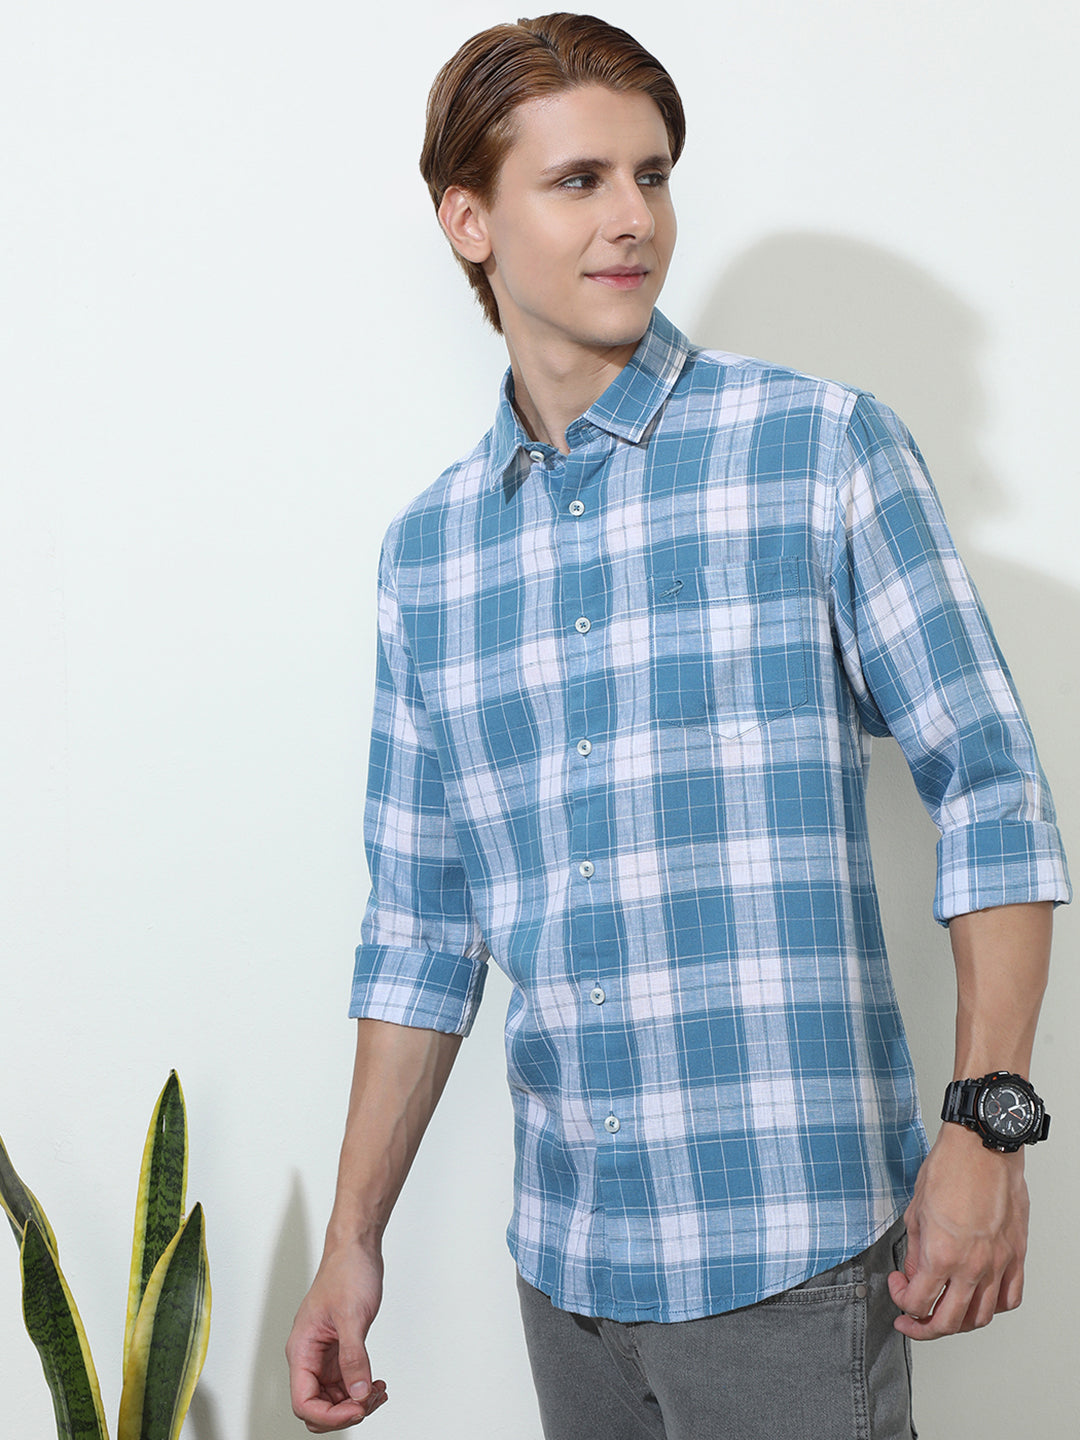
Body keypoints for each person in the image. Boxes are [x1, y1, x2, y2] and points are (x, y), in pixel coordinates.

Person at [286, 13, 1071, 1436]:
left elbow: (992, 789)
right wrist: (353, 1238)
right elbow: (419, 928)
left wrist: (987, 1127)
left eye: (651, 175)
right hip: (567, 1269)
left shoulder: (817, 447)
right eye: (578, 180)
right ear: (469, 220)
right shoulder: (431, 558)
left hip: (792, 1254)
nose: (634, 217)